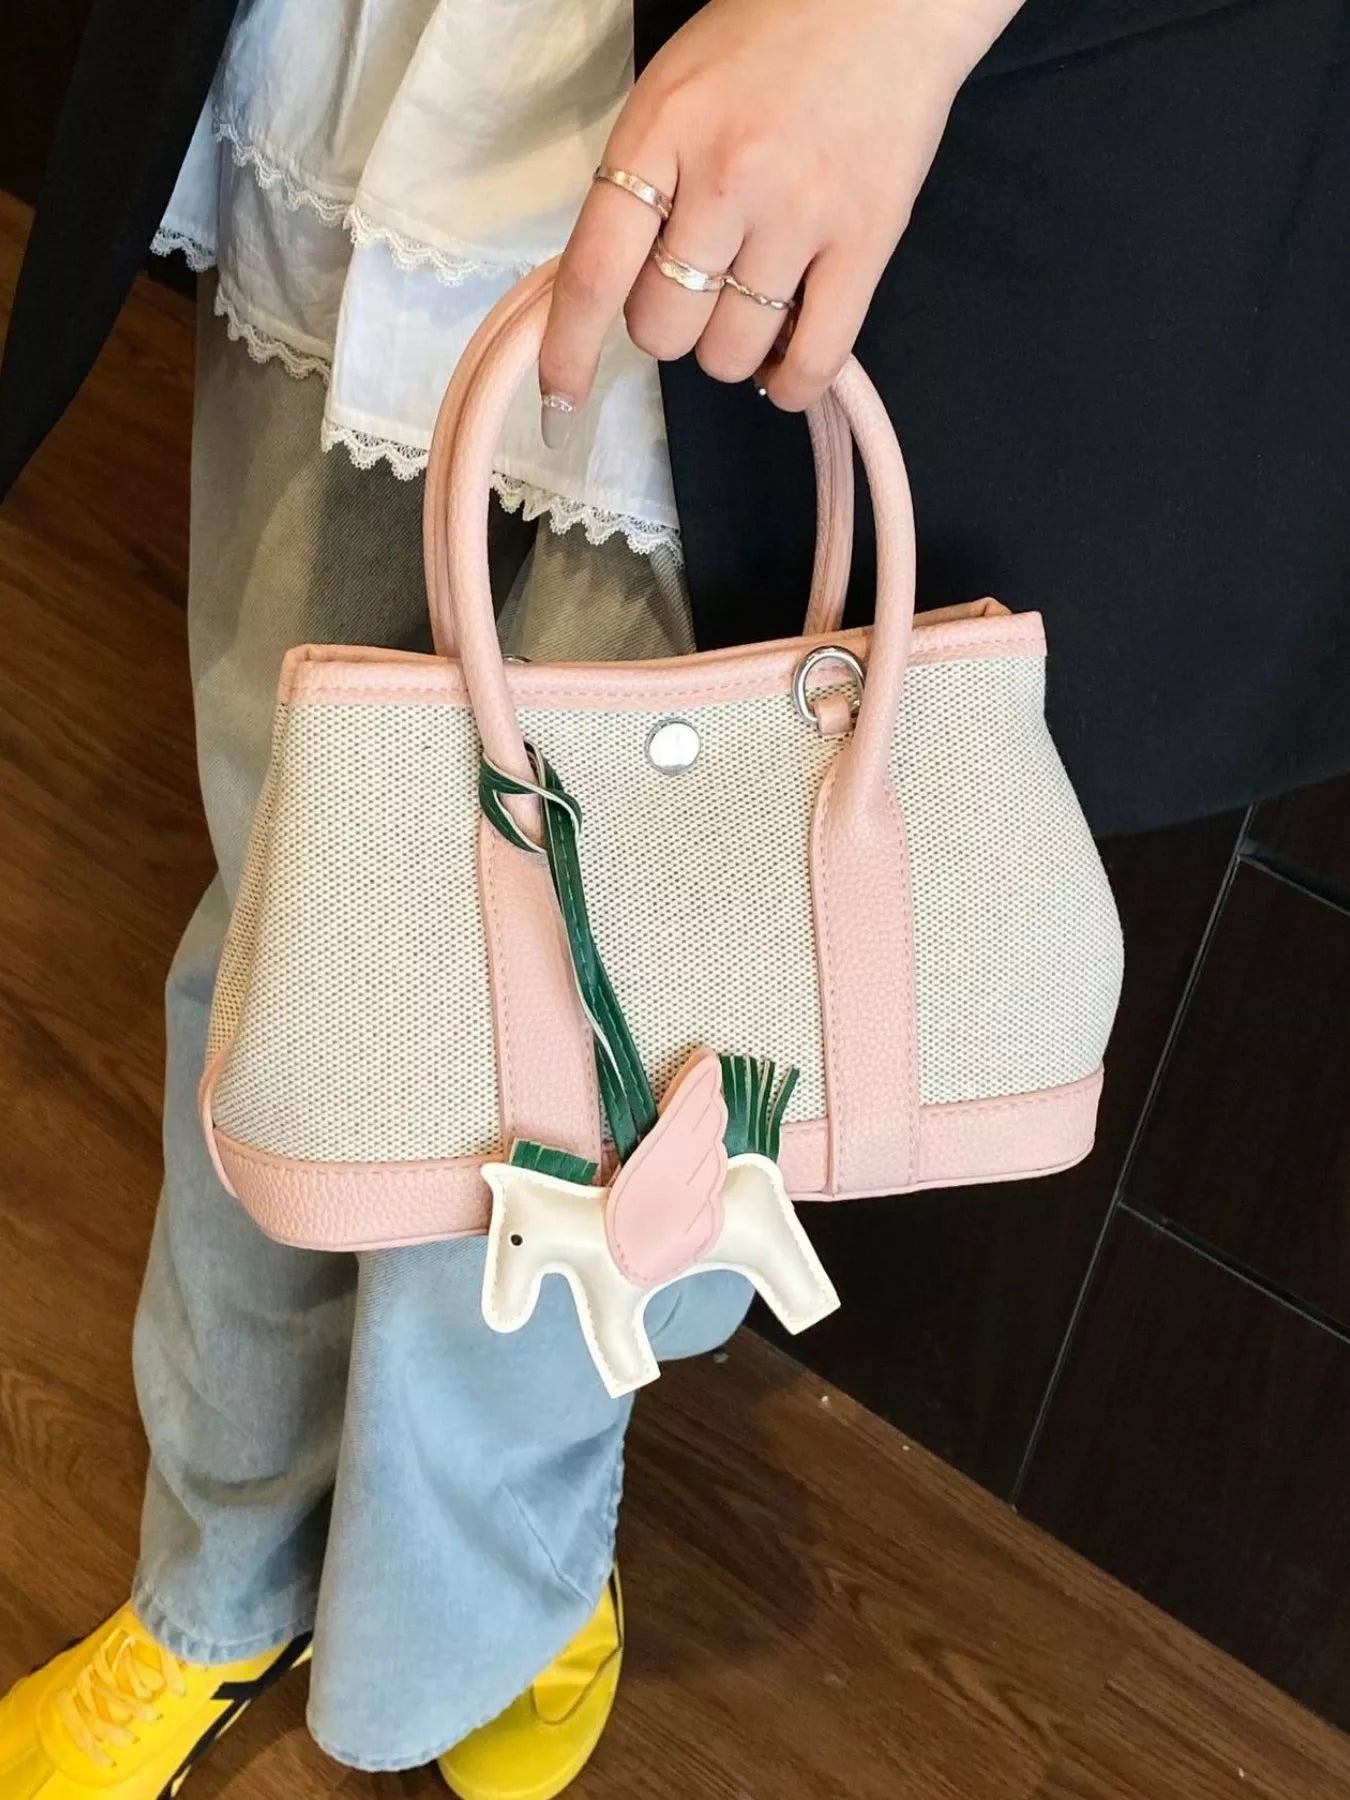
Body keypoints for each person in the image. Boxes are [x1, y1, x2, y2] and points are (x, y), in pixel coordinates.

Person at [2, 0, 1349, 1795]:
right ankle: (218, 1575)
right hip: (400, 67)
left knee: (641, 1066)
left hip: (843, 116)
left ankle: (500, 1591)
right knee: (300, 928)